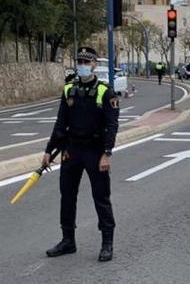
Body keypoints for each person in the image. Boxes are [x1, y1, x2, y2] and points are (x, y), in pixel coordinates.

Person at [43, 47, 119, 262]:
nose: (82, 65)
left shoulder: (106, 91)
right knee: (67, 196)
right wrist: (49, 150)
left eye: (87, 62)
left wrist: (107, 153)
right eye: (80, 62)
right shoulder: (69, 89)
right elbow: (60, 123)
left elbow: (112, 125)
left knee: (101, 197)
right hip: (72, 151)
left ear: (94, 64)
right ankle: (68, 240)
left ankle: (107, 243)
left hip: (95, 151)